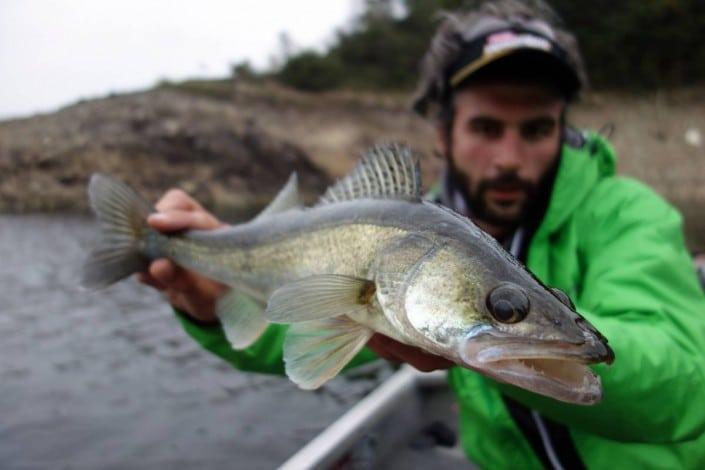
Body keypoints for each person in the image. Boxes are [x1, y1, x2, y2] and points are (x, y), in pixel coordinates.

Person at [139, 1, 705, 467]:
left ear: (563, 128)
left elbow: (682, 384)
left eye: (536, 129)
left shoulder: (626, 212)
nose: (510, 158)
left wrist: (487, 348)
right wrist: (207, 305)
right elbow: (294, 330)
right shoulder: (417, 228)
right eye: (486, 127)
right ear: (443, 132)